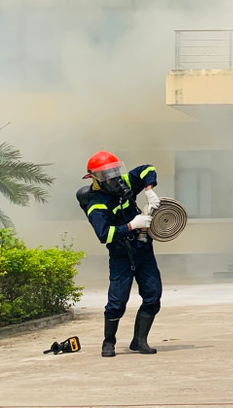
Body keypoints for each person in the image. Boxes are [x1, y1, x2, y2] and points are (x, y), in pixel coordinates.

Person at [76, 151, 162, 357]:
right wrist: (133, 225)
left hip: (143, 250)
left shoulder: (123, 182)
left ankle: (139, 341)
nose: (114, 176)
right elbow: (104, 234)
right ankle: (109, 342)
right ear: (96, 178)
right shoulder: (95, 203)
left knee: (153, 295)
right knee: (117, 302)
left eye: (115, 170)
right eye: (108, 173)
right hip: (121, 255)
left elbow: (147, 168)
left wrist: (149, 190)